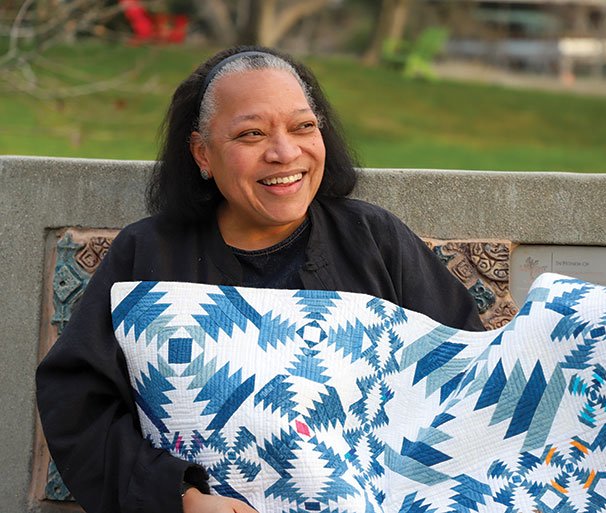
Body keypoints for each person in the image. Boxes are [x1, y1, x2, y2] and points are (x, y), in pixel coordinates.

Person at [36, 46, 484, 513]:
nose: (285, 152)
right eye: (251, 134)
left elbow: (465, 380)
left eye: (303, 126)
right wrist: (180, 499)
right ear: (202, 153)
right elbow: (78, 405)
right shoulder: (148, 253)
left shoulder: (374, 240)